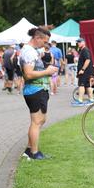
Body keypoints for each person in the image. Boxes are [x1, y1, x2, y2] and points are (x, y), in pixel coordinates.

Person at [20, 27, 59, 160]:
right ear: (37, 38)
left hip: (37, 89)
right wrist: (47, 71)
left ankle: (29, 149)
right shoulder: (29, 52)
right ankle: (34, 153)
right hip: (35, 90)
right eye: (45, 41)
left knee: (41, 120)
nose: (46, 45)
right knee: (36, 122)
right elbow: (29, 74)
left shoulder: (31, 50)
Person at [75, 38, 94, 105]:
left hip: (85, 71)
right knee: (87, 85)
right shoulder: (82, 50)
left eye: (80, 42)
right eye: (78, 42)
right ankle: (91, 99)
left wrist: (82, 69)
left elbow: (88, 60)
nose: (78, 43)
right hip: (87, 71)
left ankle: (80, 100)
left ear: (84, 42)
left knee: (81, 85)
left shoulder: (85, 50)